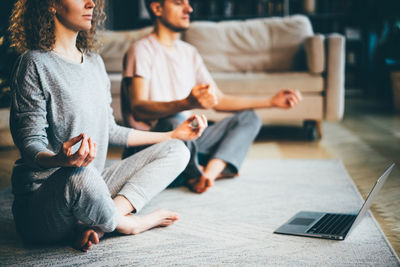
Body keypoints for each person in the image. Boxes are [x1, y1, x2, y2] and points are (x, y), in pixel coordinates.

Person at [8, 0, 207, 252]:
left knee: (177, 149)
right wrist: (60, 159)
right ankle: (129, 223)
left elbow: (111, 130)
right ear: (51, 4)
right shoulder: (33, 63)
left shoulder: (94, 63)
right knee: (82, 177)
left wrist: (172, 134)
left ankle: (101, 223)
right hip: (44, 202)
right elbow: (29, 142)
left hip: (92, 183)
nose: (91, 3)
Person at [121, 0, 302, 193]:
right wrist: (186, 103)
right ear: (157, 8)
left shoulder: (189, 53)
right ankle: (194, 173)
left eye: (188, 3)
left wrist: (271, 102)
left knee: (248, 118)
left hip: (187, 140)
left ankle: (208, 174)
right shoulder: (141, 50)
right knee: (175, 120)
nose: (189, 9)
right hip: (152, 144)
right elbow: (138, 108)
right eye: (178, 3)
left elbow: (219, 100)